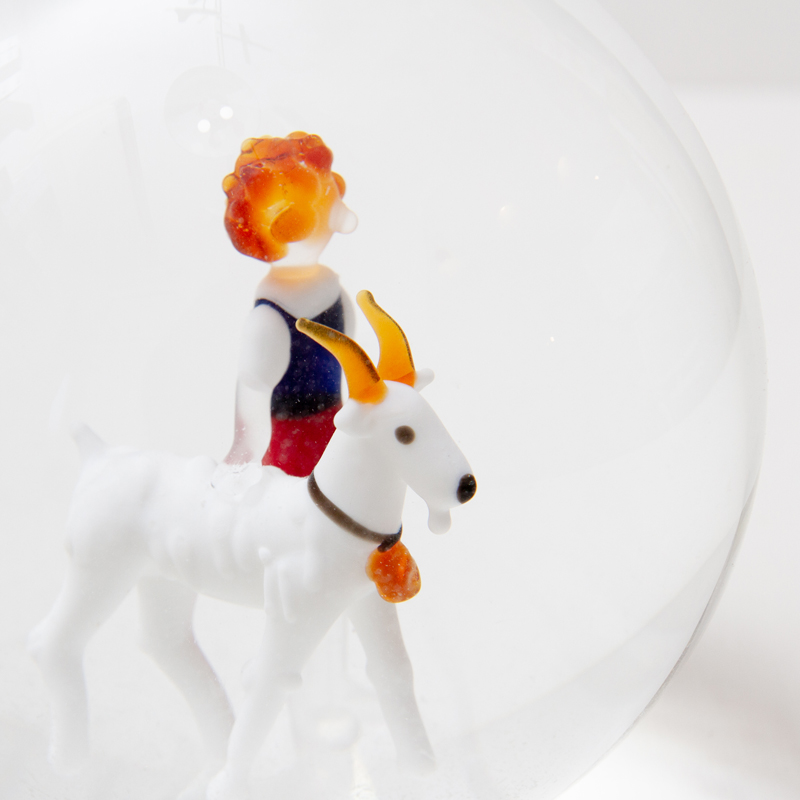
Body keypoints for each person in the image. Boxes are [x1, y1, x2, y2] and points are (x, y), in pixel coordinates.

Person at [214, 132, 357, 493]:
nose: (345, 218)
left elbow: (354, 367)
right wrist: (241, 458)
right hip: (292, 450)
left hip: (339, 434)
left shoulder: (336, 294)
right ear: (290, 224)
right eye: (329, 205)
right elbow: (253, 390)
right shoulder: (269, 319)